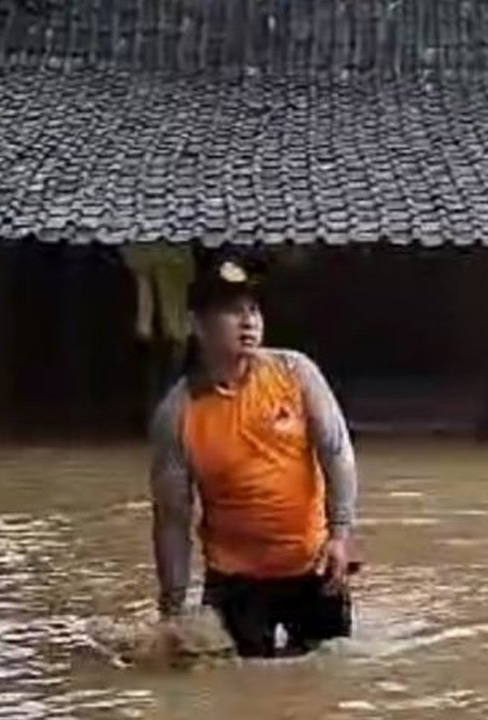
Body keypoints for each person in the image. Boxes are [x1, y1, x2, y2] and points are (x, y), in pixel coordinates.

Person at [148, 253, 360, 658]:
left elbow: (337, 453)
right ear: (196, 325)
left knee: (329, 680)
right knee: (241, 688)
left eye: (253, 309)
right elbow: (172, 520)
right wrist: (172, 611)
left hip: (314, 569)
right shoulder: (177, 414)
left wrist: (341, 535)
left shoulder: (296, 373)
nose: (248, 321)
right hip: (236, 582)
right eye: (231, 311)